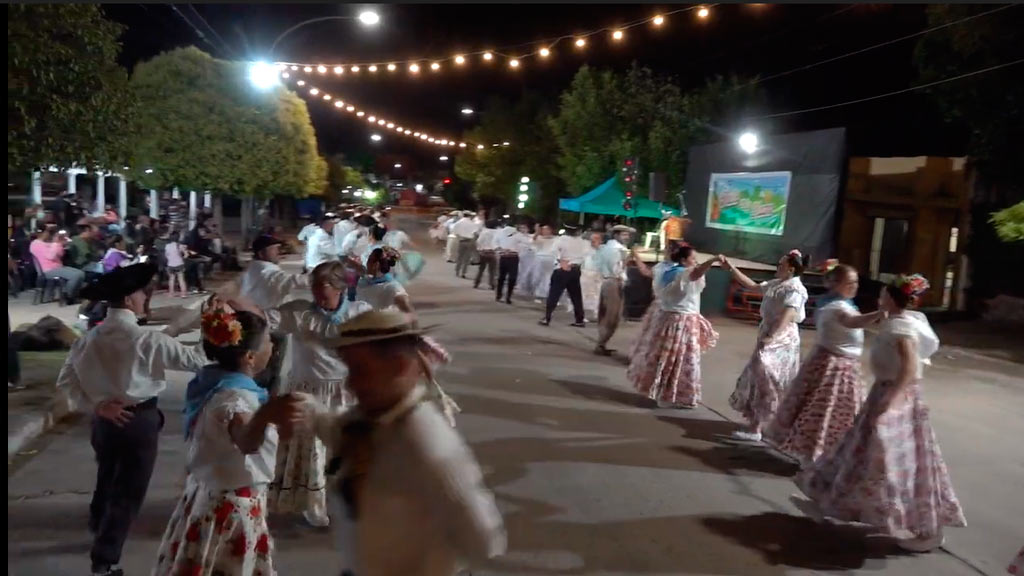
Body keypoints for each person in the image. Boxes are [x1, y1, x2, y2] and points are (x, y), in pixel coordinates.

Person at [308, 310, 506, 575]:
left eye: (360, 370)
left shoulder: (427, 445)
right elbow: (338, 432)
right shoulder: (369, 419)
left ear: (399, 365)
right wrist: (306, 409)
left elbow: (483, 538)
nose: (350, 384)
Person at [54, 263, 209, 576]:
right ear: (128, 300)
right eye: (141, 293)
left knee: (107, 476)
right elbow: (199, 360)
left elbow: (65, 383)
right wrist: (212, 325)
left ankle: (99, 525)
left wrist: (97, 406)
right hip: (138, 421)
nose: (144, 298)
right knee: (128, 492)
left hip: (104, 421)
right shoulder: (146, 340)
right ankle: (105, 559)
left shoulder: (88, 339)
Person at [793, 274, 966, 552]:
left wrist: (893, 401)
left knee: (900, 463)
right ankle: (829, 498)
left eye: (883, 294)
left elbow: (909, 366)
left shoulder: (902, 327)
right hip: (883, 392)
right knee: (860, 452)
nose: (878, 298)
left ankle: (927, 529)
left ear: (890, 298)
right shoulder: (901, 321)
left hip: (894, 396)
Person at [152, 307, 308, 576]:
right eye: (268, 341)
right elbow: (246, 442)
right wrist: (267, 415)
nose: (272, 346)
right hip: (229, 507)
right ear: (250, 357)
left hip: (210, 493)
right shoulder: (235, 399)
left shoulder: (212, 383)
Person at [266, 261, 372, 528]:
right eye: (313, 289)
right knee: (312, 450)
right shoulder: (299, 313)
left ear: (340, 287)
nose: (317, 296)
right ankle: (314, 504)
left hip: (344, 393)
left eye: (322, 289)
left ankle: (346, 501)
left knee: (342, 450)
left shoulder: (360, 313)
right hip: (307, 392)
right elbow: (265, 319)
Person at [765, 263, 885, 466]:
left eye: (856, 282)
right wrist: (880, 313)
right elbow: (851, 322)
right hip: (834, 365)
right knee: (824, 412)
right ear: (836, 284)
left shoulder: (842, 303)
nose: (854, 286)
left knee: (832, 413)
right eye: (849, 282)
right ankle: (814, 455)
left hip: (841, 362)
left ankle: (821, 454)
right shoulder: (836, 306)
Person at [723, 249, 810, 442]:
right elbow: (753, 286)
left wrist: (772, 336)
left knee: (768, 377)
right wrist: (731, 268)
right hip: (769, 332)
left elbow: (788, 314)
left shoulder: (794, 289)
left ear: (791, 268)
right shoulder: (778, 284)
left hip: (782, 337)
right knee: (760, 378)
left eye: (781, 265)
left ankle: (761, 427)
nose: (777, 267)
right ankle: (761, 425)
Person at [628, 245, 719, 408]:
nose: (695, 262)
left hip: (666, 318)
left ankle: (662, 393)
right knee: (683, 360)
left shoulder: (663, 270)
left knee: (665, 358)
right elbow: (696, 272)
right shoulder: (682, 273)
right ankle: (672, 396)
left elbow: (646, 272)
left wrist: (636, 256)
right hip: (681, 321)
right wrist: (713, 260)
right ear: (683, 260)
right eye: (693, 259)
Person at [238, 235, 309, 395]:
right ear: (262, 253)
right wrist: (324, 278)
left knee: (254, 367)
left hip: (255, 323)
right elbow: (293, 281)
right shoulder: (266, 272)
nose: (279, 252)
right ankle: (264, 405)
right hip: (270, 327)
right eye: (275, 249)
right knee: (269, 370)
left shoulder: (254, 269)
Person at [593, 225, 635, 356]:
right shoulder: (617, 250)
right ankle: (601, 344)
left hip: (607, 281)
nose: (627, 237)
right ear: (616, 235)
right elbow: (617, 270)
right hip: (613, 282)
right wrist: (628, 259)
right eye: (624, 234)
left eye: (627, 235)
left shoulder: (606, 248)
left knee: (606, 314)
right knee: (612, 316)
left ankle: (602, 343)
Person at [539, 225, 587, 327]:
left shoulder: (561, 240)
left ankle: (547, 317)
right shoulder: (582, 242)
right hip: (575, 269)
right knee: (576, 296)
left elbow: (553, 252)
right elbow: (586, 255)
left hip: (562, 269)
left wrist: (561, 261)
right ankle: (579, 319)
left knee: (554, 294)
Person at [29, 225, 86, 303]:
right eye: (48, 232)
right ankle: (68, 296)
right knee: (76, 275)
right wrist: (56, 243)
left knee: (81, 274)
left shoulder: (47, 243)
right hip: (48, 270)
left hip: (58, 267)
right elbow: (51, 256)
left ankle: (72, 295)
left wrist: (60, 244)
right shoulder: (36, 244)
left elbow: (59, 254)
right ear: (43, 233)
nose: (49, 234)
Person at [355, 246, 414, 313]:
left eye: (369, 260)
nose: (366, 264)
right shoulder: (365, 281)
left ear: (376, 265)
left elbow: (406, 306)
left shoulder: (391, 287)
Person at [495, 221, 531, 304]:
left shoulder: (500, 233)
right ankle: (507, 296)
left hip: (504, 256)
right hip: (513, 257)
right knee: (511, 278)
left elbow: (495, 243)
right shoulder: (517, 234)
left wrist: (500, 249)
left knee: (502, 278)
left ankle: (499, 295)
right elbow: (528, 243)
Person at [579, 230, 605, 321]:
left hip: (598, 275)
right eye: (592, 239)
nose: (593, 241)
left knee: (598, 295)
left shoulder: (604, 250)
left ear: (601, 240)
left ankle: (597, 313)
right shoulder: (586, 249)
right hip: (586, 273)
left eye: (596, 239)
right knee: (584, 294)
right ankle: (583, 314)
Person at [451, 210, 480, 279]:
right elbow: (476, 234)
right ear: (469, 216)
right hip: (470, 241)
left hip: (461, 241)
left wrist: (460, 237)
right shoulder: (473, 223)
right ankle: (463, 273)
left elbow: (455, 233)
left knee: (460, 257)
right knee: (467, 258)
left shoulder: (458, 223)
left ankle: (457, 271)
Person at [474, 219, 499, 290]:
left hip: (484, 252)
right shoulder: (497, 233)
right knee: (492, 270)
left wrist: (479, 249)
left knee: (481, 269)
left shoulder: (484, 232)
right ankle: (492, 284)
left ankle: (477, 282)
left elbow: (479, 241)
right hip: (493, 253)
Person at [164, 232, 189, 298]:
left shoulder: (167, 246)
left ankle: (171, 293)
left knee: (171, 279)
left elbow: (166, 255)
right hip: (179, 264)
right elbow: (186, 255)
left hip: (170, 264)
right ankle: (183, 294)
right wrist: (182, 258)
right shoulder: (180, 246)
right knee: (181, 279)